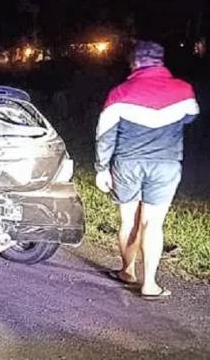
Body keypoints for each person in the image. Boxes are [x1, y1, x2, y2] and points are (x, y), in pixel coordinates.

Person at [95, 41, 199, 298]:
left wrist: (101, 169)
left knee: (128, 220)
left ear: (134, 63)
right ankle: (150, 284)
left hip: (127, 163)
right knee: (153, 222)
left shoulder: (119, 93)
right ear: (161, 61)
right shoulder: (184, 90)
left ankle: (127, 271)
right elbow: (190, 117)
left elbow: (105, 135)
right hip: (166, 164)